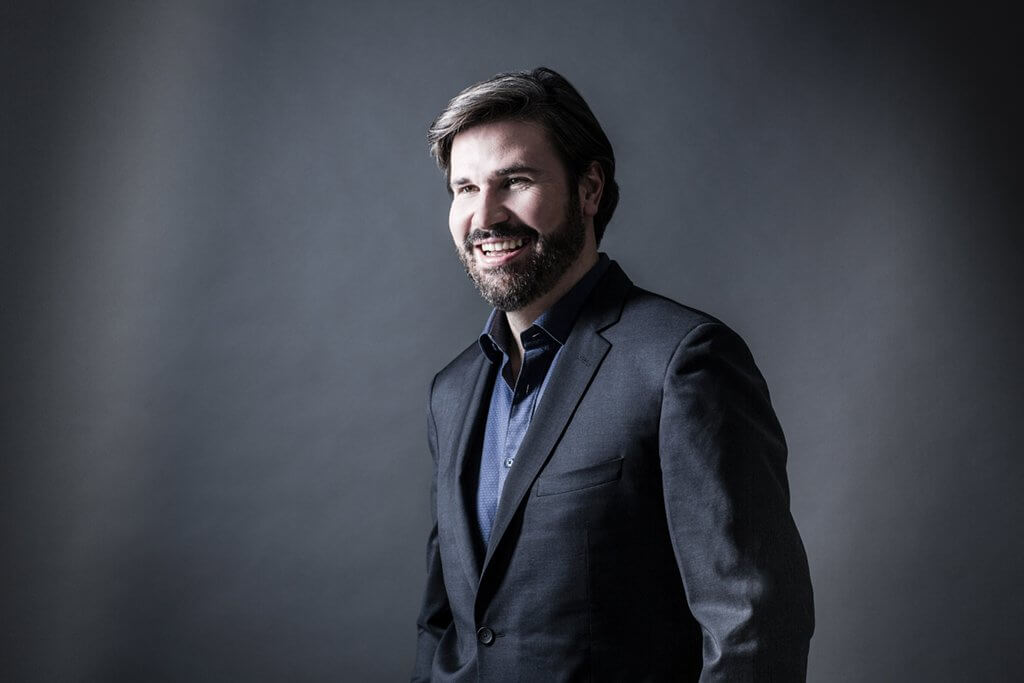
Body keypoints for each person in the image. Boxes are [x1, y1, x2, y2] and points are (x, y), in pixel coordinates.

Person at [412, 67, 814, 682]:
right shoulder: (453, 391)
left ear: (590, 189)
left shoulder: (682, 362)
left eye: (515, 181)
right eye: (465, 188)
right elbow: (444, 624)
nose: (485, 215)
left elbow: (754, 628)